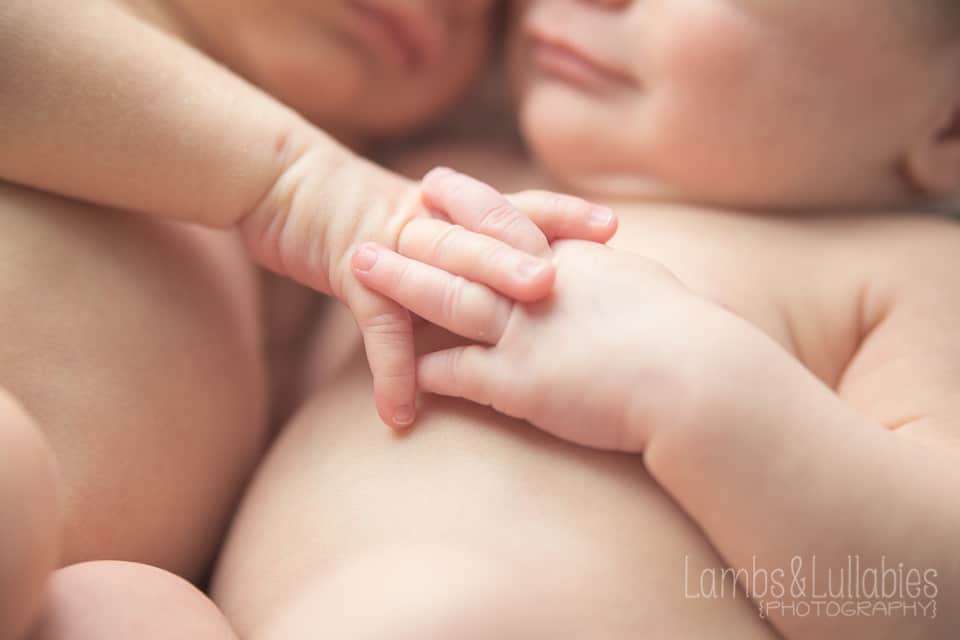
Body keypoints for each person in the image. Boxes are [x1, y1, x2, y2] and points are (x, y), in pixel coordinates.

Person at [212, 0, 960, 638]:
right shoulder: (390, 189)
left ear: (949, 126)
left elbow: (929, 599)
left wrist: (698, 387)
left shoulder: (904, 269)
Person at [0, 1, 618, 638]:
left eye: (492, 14)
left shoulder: (345, 240)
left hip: (56, 589)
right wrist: (295, 180)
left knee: (141, 609)